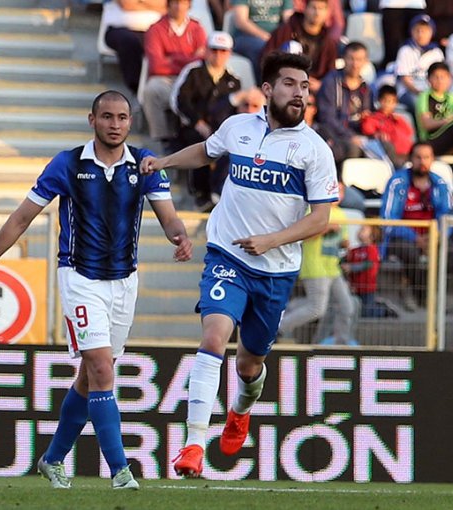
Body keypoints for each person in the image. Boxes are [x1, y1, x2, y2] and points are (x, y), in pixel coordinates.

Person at [0, 90, 193, 489]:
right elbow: (20, 219)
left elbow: (169, 217)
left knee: (91, 375)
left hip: (124, 281)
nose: (115, 124)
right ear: (92, 120)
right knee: (103, 369)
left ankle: (52, 459)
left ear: (129, 122)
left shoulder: (145, 165)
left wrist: (180, 237)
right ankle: (121, 471)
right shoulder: (68, 164)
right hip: (79, 277)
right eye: (107, 117)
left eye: (122, 117)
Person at [142, 52, 339, 478]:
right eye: (289, 84)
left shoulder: (314, 150)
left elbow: (321, 217)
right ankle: (194, 444)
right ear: (267, 90)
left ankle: (239, 412)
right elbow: (207, 151)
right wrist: (165, 161)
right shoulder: (237, 127)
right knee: (213, 338)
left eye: (304, 86)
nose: (299, 93)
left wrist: (272, 240)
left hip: (275, 270)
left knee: (249, 365)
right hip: (227, 255)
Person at [171, 32, 243, 210]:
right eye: (214, 50)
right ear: (207, 51)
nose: (218, 55)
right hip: (191, 126)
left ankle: (218, 193)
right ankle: (200, 193)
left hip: (219, 129)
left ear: (229, 53)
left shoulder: (233, 80)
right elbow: (180, 100)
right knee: (202, 143)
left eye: (223, 51)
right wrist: (197, 122)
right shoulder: (193, 72)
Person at [380, 142, 452, 311]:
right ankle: (418, 295)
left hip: (432, 236)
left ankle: (437, 293)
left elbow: (447, 217)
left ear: (433, 159)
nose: (422, 161)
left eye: (426, 157)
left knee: (452, 253)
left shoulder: (440, 184)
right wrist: (415, 238)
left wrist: (437, 236)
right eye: (418, 157)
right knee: (409, 252)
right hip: (402, 238)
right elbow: (388, 220)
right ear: (411, 159)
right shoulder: (397, 182)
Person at [279, 182, 355, 344]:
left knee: (347, 306)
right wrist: (325, 229)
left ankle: (342, 343)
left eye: (340, 190)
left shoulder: (342, 215)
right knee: (316, 309)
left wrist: (345, 243)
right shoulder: (312, 211)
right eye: (335, 189)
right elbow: (301, 236)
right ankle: (279, 328)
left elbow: (343, 240)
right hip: (315, 267)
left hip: (333, 268)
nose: (337, 194)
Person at [142, 0, 207, 149]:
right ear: (168, 5)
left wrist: (173, 59)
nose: (179, 7)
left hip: (191, 77)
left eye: (183, 3)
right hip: (166, 78)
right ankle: (162, 138)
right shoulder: (156, 29)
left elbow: (203, 59)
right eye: (175, 3)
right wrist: (189, 59)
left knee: (197, 90)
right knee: (152, 90)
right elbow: (156, 66)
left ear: (188, 5)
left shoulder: (197, 28)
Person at [262, 0, 338, 94]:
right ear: (305, 9)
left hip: (315, 91)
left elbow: (331, 73)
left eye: (321, 8)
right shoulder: (285, 31)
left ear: (327, 12)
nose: (317, 12)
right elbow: (267, 60)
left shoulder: (329, 42)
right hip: (284, 85)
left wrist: (321, 85)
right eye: (313, 7)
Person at [316, 41, 374, 163]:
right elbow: (327, 118)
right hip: (335, 136)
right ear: (343, 59)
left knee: (386, 146)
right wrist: (351, 136)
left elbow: (369, 117)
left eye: (359, 60)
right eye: (351, 59)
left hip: (360, 137)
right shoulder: (331, 82)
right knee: (353, 149)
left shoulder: (366, 88)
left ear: (366, 62)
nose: (355, 64)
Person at [104, 0, 167, 95]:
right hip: (121, 29)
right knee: (129, 41)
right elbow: (126, 4)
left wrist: (139, 2)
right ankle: (136, 88)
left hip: (154, 31)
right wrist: (154, 5)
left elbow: (166, 5)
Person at [229, 0, 294, 82]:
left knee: (293, 47)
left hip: (274, 38)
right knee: (264, 50)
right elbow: (241, 21)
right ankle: (264, 85)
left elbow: (288, 18)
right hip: (246, 37)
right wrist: (266, 37)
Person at [395, 14, 445, 112]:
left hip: (431, 91)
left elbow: (441, 76)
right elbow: (405, 79)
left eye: (425, 30)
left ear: (431, 32)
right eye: (417, 30)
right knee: (419, 103)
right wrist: (420, 93)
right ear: (411, 31)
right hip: (409, 91)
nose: (420, 34)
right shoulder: (405, 50)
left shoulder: (437, 52)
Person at [361, 85, 416, 168]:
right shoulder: (373, 117)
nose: (387, 104)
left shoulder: (398, 118)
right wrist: (377, 133)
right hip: (391, 155)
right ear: (379, 101)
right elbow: (367, 129)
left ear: (395, 103)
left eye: (391, 102)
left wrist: (398, 121)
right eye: (385, 101)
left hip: (406, 153)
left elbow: (409, 132)